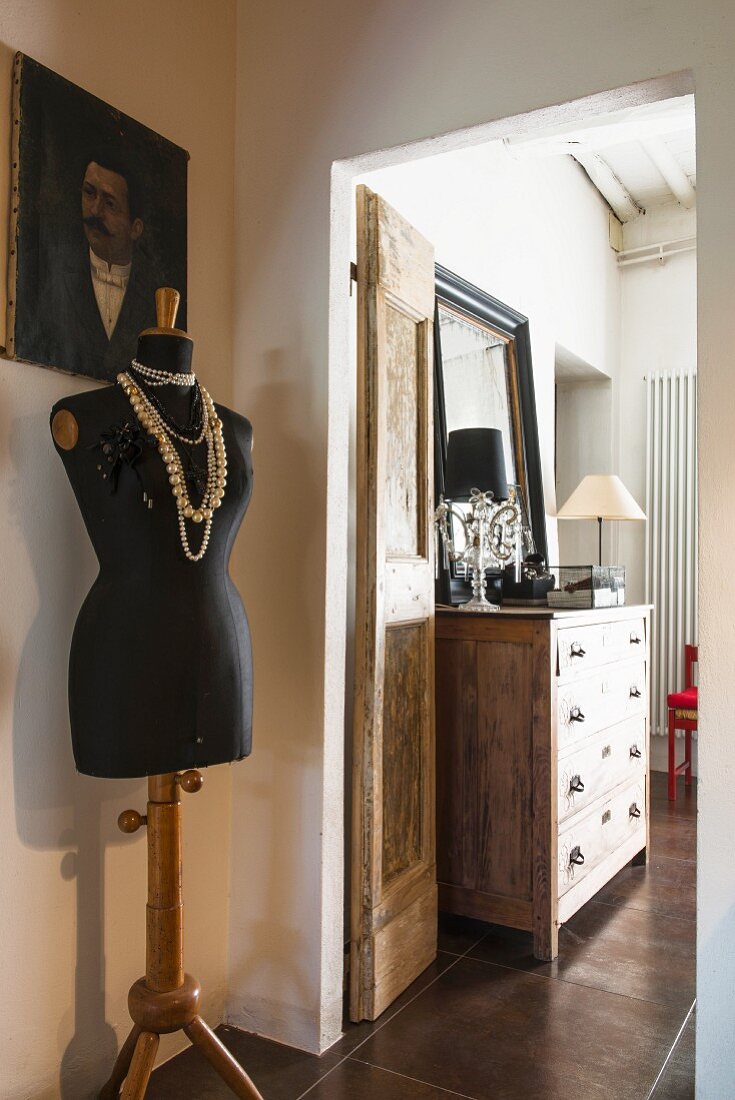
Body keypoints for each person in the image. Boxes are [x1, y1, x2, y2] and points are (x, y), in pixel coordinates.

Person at [38, 147, 160, 381]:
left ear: (135, 228)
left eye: (110, 204)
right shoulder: (51, 276)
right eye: (89, 193)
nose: (94, 210)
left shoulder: (153, 298)